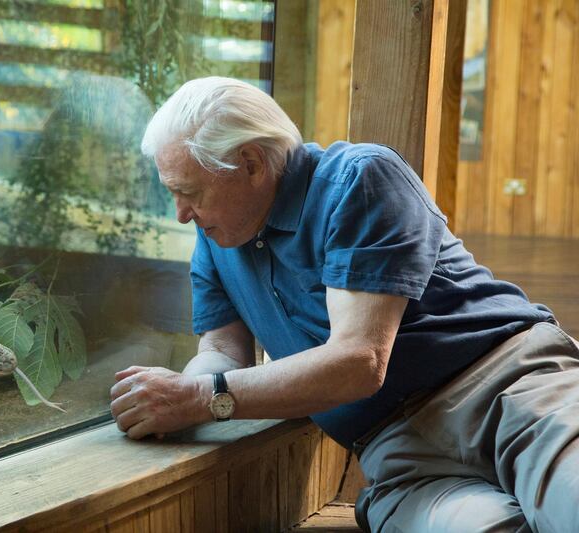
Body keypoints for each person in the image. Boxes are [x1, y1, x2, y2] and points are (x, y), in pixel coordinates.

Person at [109, 77, 579, 532]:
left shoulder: (358, 178)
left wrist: (198, 398)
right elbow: (220, 352)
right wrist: (171, 402)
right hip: (401, 455)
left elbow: (359, 361)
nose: (180, 213)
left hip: (503, 388)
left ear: (251, 163)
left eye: (189, 192)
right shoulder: (215, 240)